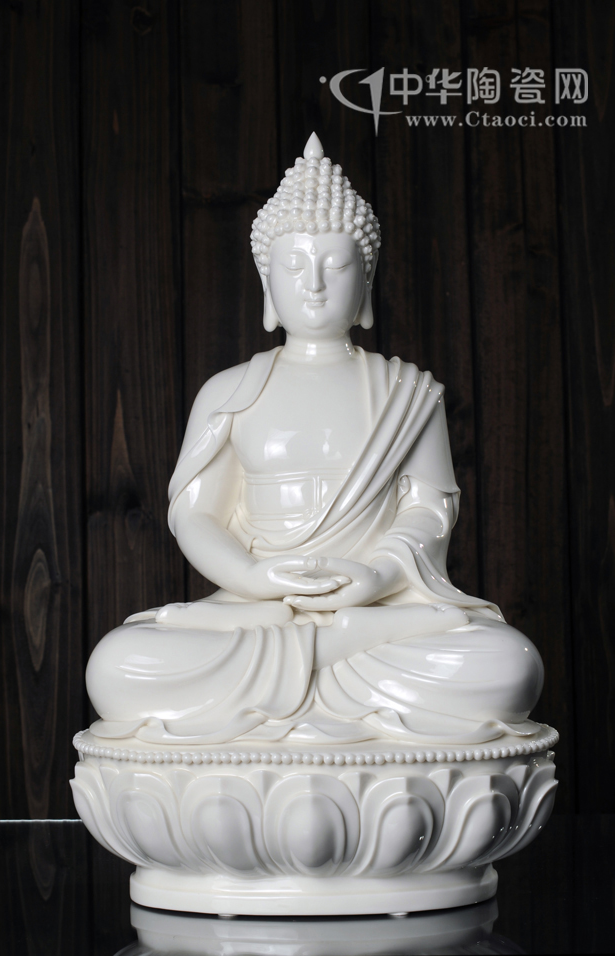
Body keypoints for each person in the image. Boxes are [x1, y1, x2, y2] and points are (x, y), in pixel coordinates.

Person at [86, 135, 543, 747]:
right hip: (256, 612)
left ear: (368, 278)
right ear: (267, 282)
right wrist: (254, 577)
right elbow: (196, 517)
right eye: (295, 267)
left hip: (378, 610)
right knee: (119, 665)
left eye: (338, 265)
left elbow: (428, 512)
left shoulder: (407, 391)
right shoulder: (230, 391)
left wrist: (377, 576)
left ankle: (316, 658)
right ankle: (323, 654)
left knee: (507, 663)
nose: (316, 285)